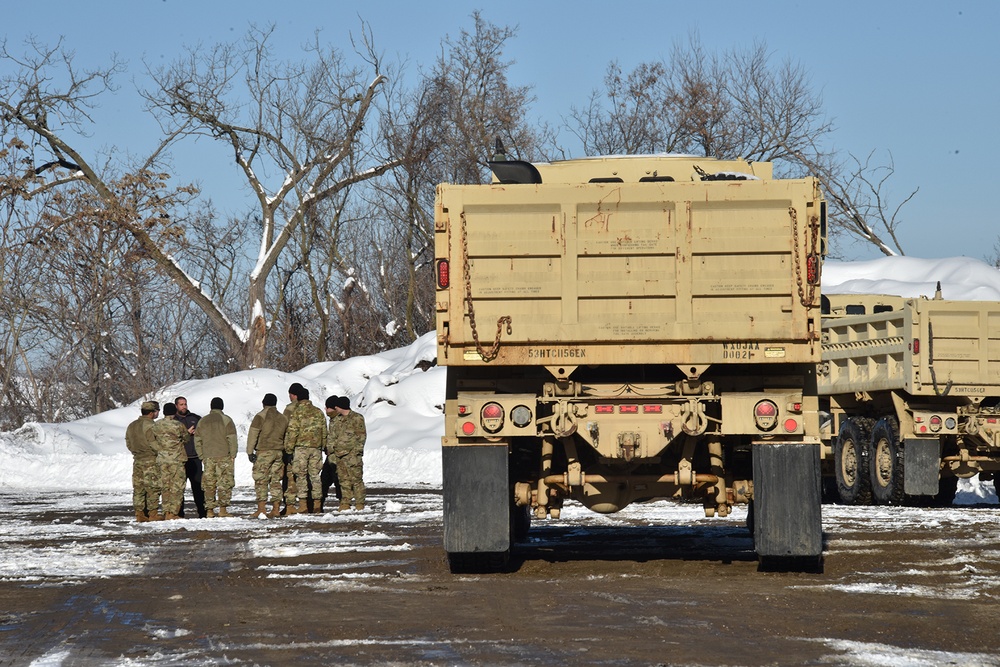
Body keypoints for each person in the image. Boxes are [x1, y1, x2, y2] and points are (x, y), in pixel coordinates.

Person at [283, 385, 327, 514]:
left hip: (301, 449)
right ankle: (317, 504)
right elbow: (324, 431)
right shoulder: (318, 412)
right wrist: (323, 446)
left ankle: (303, 505)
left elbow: (292, 432)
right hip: (316, 449)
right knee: (315, 476)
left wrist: (289, 450)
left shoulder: (297, 412)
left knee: (301, 476)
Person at [194, 397, 239, 518]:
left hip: (208, 457)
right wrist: (233, 454)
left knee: (209, 484)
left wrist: (201, 456)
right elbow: (232, 438)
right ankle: (223, 510)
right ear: (222, 407)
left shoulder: (202, 421)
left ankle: (209, 510)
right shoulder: (226, 420)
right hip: (224, 455)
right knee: (224, 483)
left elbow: (197, 440)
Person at [247, 393, 289, 518]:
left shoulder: (260, 416)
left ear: (263, 402)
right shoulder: (283, 418)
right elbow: (287, 436)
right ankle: (276, 509)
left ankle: (261, 509)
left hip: (264, 451)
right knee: (276, 480)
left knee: (261, 480)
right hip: (278, 452)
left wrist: (250, 452)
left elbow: (253, 434)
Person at [150, 402, 190, 520]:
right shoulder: (178, 425)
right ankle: (173, 512)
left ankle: (166, 511)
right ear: (174, 412)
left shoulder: (156, 425)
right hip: (176, 459)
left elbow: (152, 440)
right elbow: (186, 438)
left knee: (165, 486)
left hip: (162, 459)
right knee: (177, 486)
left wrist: (161, 449)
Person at [327, 395, 367, 511]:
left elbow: (361, 437)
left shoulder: (357, 418)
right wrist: (332, 452)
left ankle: (359, 503)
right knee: (343, 481)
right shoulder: (337, 420)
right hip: (340, 456)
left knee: (356, 481)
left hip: (352, 456)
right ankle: (345, 503)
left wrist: (357, 452)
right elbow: (332, 437)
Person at [125, 401, 163, 522]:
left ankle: (139, 514)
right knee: (153, 487)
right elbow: (154, 443)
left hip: (137, 460)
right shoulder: (152, 425)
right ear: (152, 413)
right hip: (151, 460)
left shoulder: (132, 425)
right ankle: (153, 513)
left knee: (139, 488)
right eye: (157, 411)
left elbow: (128, 443)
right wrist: (160, 451)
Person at [174, 396, 207, 519]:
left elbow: (204, 434)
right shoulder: (174, 421)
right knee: (179, 488)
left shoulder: (195, 418)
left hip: (195, 458)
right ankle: (179, 514)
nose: (184, 406)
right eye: (181, 404)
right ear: (176, 406)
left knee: (198, 487)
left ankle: (202, 513)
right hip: (180, 459)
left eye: (185, 404)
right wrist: (185, 433)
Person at [321, 396, 343, 509]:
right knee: (324, 481)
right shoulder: (333, 420)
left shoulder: (341, 420)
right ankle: (319, 504)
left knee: (339, 480)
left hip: (337, 457)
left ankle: (343, 504)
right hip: (330, 456)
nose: (326, 410)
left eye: (328, 408)